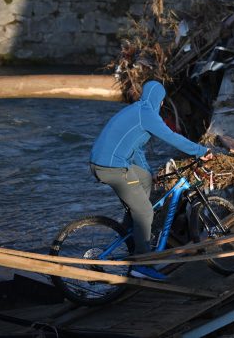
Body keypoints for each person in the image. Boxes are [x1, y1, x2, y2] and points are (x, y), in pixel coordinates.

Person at [90, 80, 212, 281]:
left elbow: (136, 148)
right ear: (160, 100)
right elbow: (171, 136)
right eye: (162, 101)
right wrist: (201, 151)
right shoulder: (147, 114)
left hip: (104, 162)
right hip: (111, 167)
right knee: (145, 211)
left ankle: (133, 229)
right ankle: (143, 264)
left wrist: (148, 171)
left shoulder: (138, 110)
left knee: (145, 179)